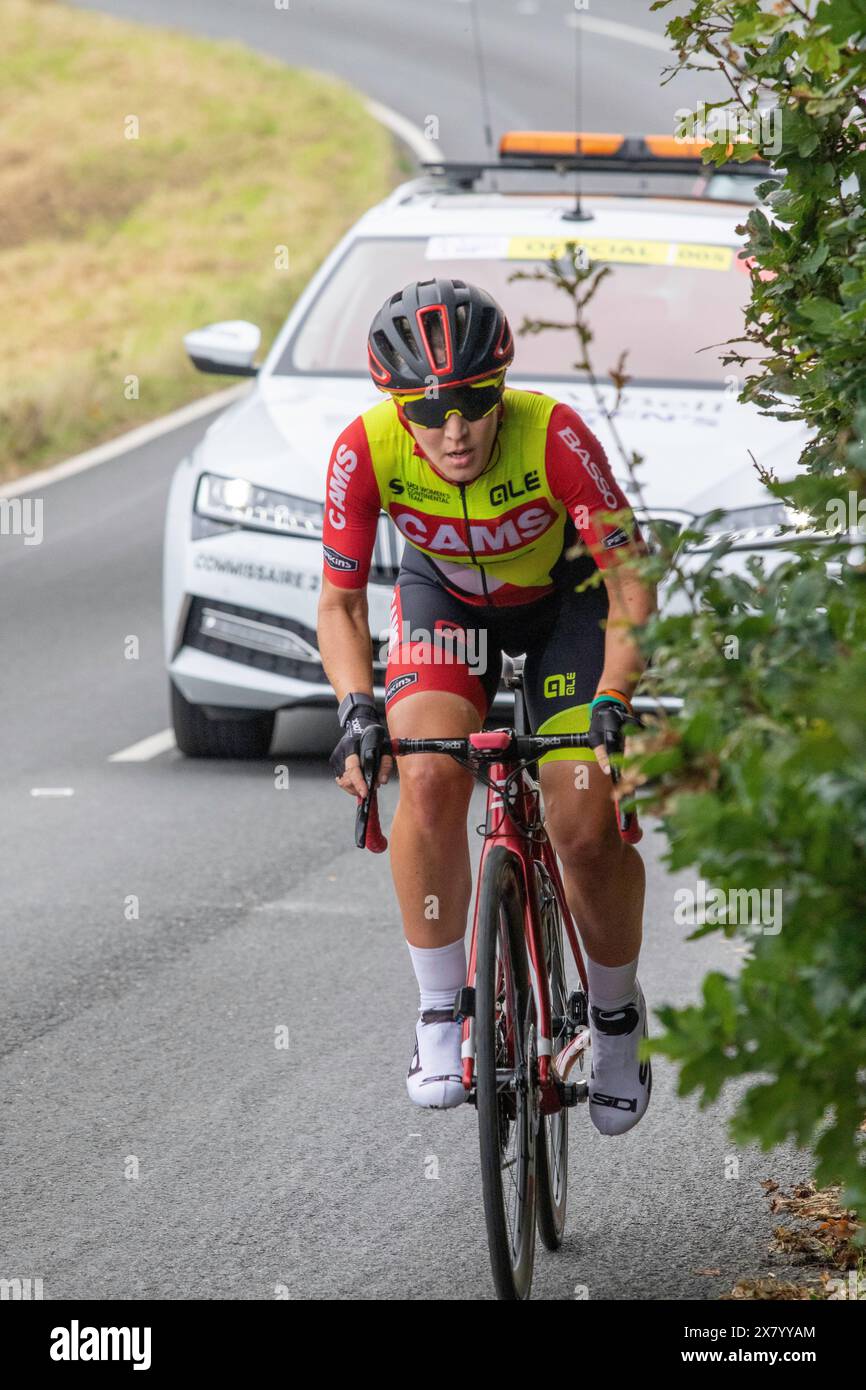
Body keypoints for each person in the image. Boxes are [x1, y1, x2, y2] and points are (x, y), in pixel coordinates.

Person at [317, 277, 656, 1134]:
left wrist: (613, 696)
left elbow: (628, 584)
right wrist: (358, 707)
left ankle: (614, 1015)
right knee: (427, 776)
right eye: (429, 413)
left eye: (473, 403)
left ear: (501, 389)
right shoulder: (364, 450)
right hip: (446, 606)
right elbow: (342, 606)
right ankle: (441, 1008)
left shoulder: (554, 436)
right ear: (397, 407)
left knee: (582, 820)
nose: (454, 429)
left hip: (565, 607)